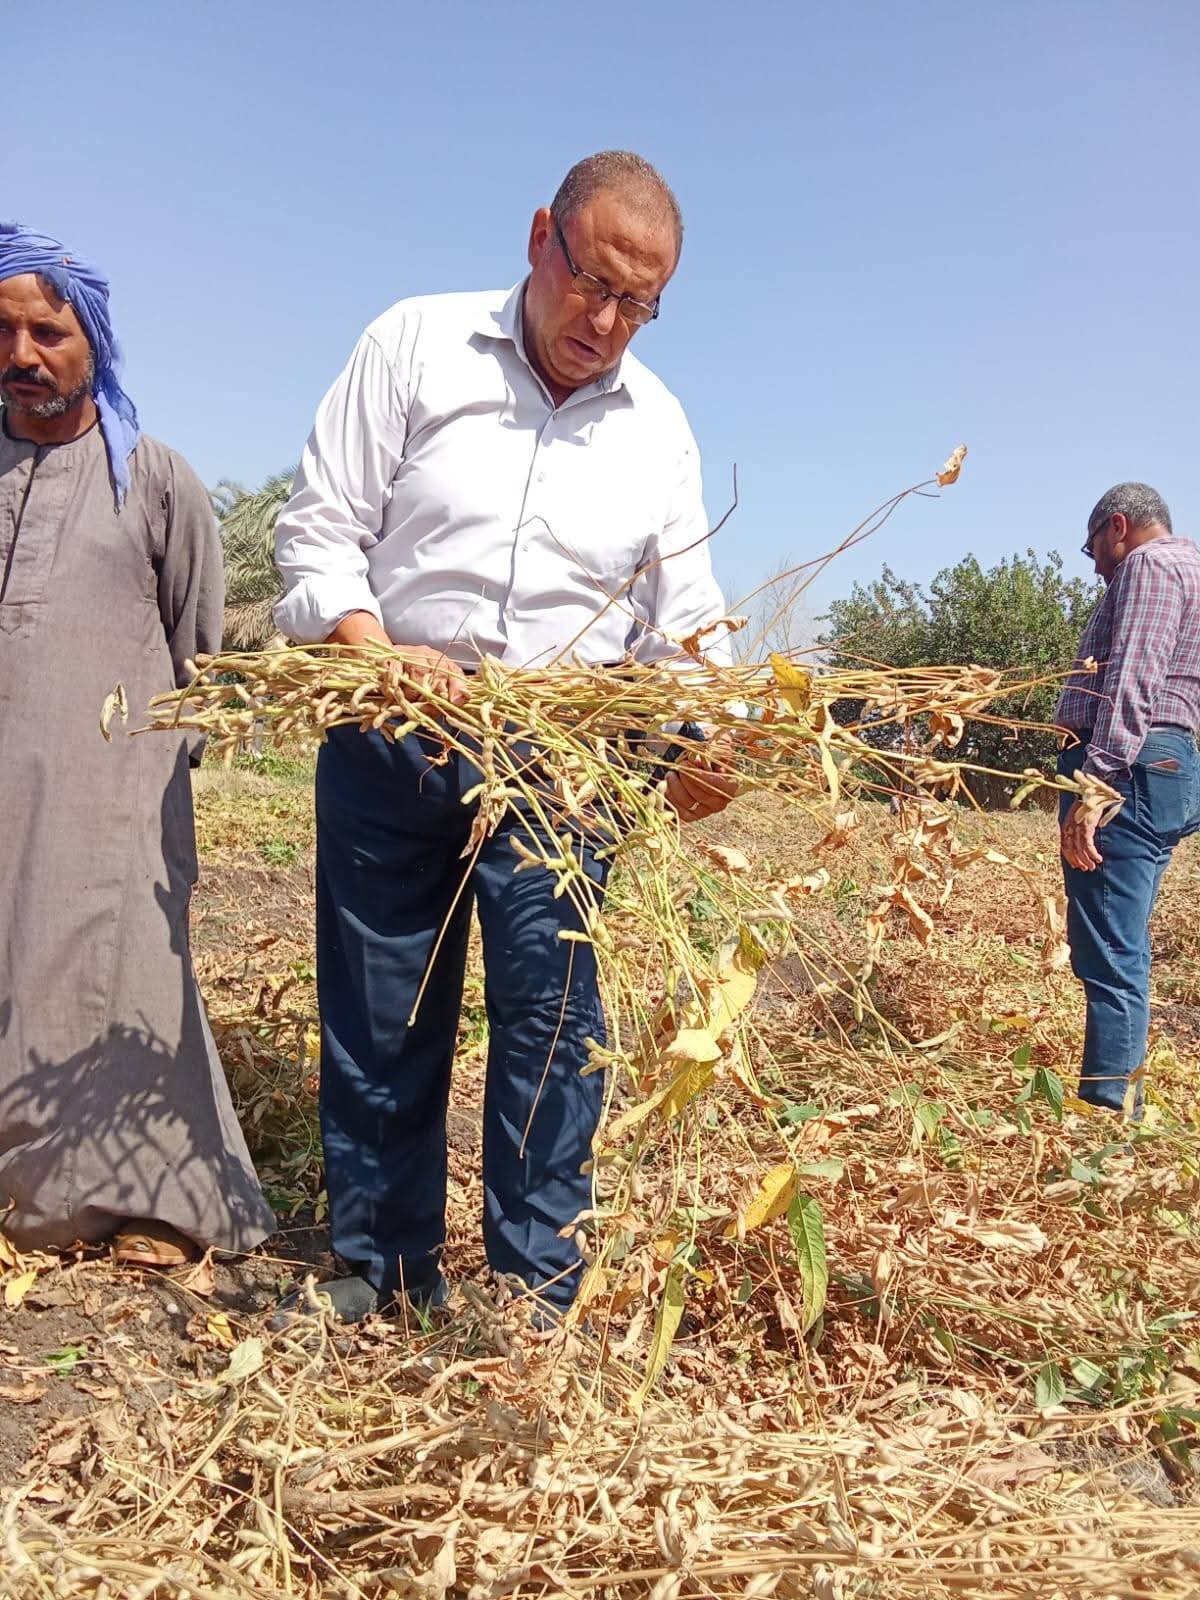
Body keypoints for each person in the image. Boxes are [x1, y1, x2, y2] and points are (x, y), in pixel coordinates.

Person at [273, 151, 735, 1323]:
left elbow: (685, 616)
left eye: (641, 303)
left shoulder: (659, 428)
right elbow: (320, 528)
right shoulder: (414, 344)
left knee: (554, 1015)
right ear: (541, 238)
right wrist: (372, 649)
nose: (608, 323)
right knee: (382, 1004)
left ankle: (537, 1291)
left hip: (564, 757)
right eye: (594, 284)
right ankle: (382, 1269)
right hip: (396, 724)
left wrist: (709, 733)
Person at [0, 222, 275, 1265]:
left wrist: (152, 762)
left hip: (112, 788)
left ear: (95, 343)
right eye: (3, 332)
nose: (23, 355)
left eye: (49, 334)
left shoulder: (157, 481)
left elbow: (196, 646)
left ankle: (144, 1197)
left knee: (121, 974)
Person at [1056, 482, 1200, 1118]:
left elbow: (1134, 675)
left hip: (1129, 768)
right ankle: (1118, 1098)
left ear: (1118, 526)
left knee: (1110, 949)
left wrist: (1097, 783)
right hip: (1169, 765)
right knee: (1124, 938)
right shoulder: (1193, 570)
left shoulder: (1148, 566)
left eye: (1092, 548)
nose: (1094, 566)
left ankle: (1111, 1113)